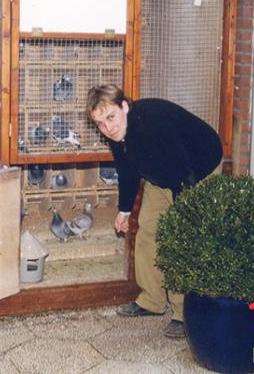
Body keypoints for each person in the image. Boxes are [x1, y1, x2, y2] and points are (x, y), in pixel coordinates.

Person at [86, 84, 222, 339]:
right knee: (148, 229)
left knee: (181, 239)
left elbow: (183, 174)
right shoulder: (116, 134)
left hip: (197, 171)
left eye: (111, 117)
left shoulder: (152, 125)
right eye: (100, 123)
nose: (107, 127)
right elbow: (127, 172)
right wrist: (124, 211)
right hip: (161, 175)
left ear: (124, 106)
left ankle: (184, 313)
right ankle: (152, 300)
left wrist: (183, 218)